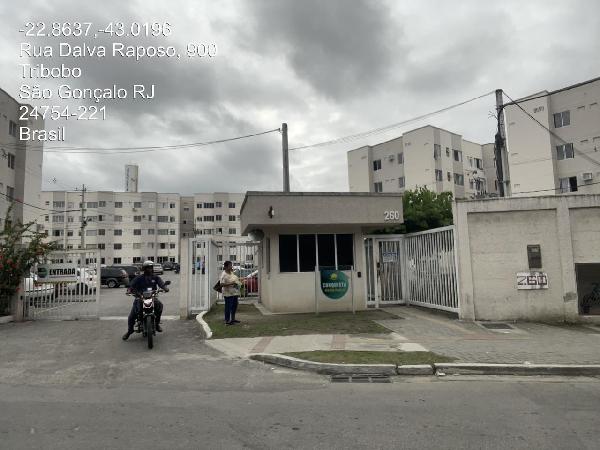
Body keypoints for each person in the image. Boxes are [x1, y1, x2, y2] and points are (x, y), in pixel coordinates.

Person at [122, 260, 168, 340]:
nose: (149, 269)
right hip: (140, 298)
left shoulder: (155, 277)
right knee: (132, 316)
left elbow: (161, 284)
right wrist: (129, 290)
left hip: (152, 297)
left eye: (151, 267)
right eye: (147, 268)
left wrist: (165, 287)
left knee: (160, 305)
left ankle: (157, 324)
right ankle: (130, 331)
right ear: (144, 269)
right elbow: (131, 285)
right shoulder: (139, 278)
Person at [219, 260, 240, 325]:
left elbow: (234, 280)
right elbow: (221, 284)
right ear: (226, 267)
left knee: (234, 306)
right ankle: (227, 321)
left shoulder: (231, 272)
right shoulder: (224, 274)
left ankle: (233, 319)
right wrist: (231, 283)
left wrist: (237, 283)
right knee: (228, 307)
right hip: (228, 294)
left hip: (234, 292)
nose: (231, 267)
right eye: (230, 265)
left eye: (231, 265)